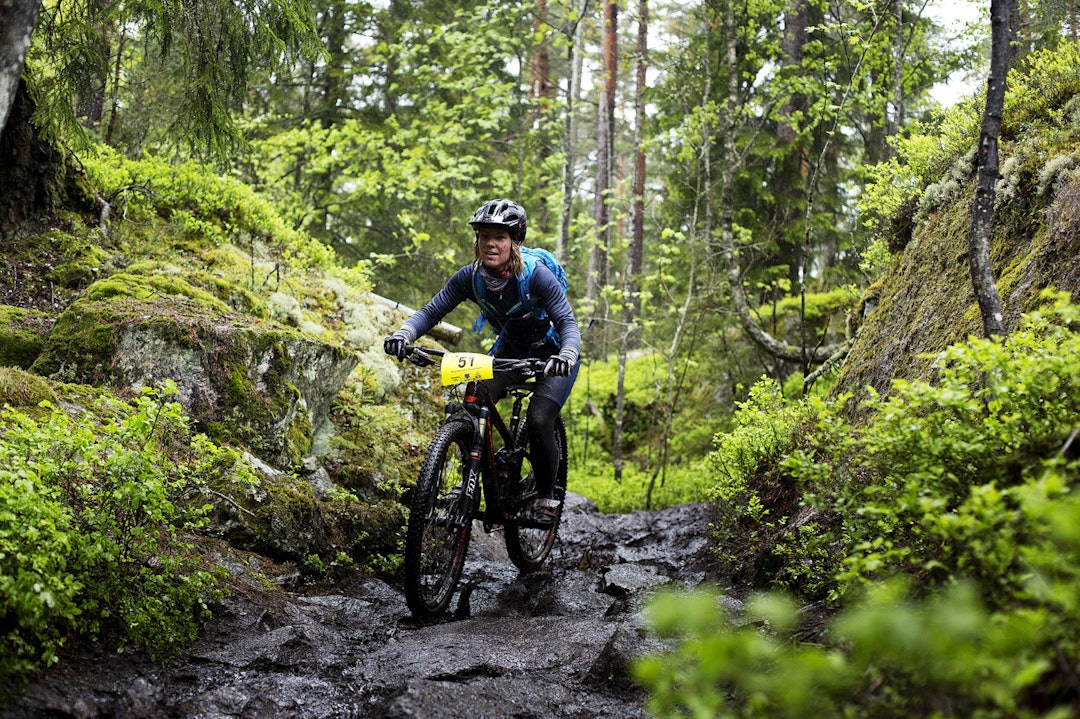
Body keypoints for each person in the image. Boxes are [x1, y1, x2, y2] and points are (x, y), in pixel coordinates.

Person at [384, 199, 581, 524]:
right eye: (484, 236)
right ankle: (470, 482)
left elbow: (567, 322)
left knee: (539, 418)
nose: (491, 243)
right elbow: (432, 311)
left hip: (554, 352)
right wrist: (405, 334)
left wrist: (567, 354)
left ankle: (547, 496)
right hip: (511, 351)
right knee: (473, 401)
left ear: (514, 241)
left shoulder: (536, 277)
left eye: (500, 237)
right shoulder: (470, 277)